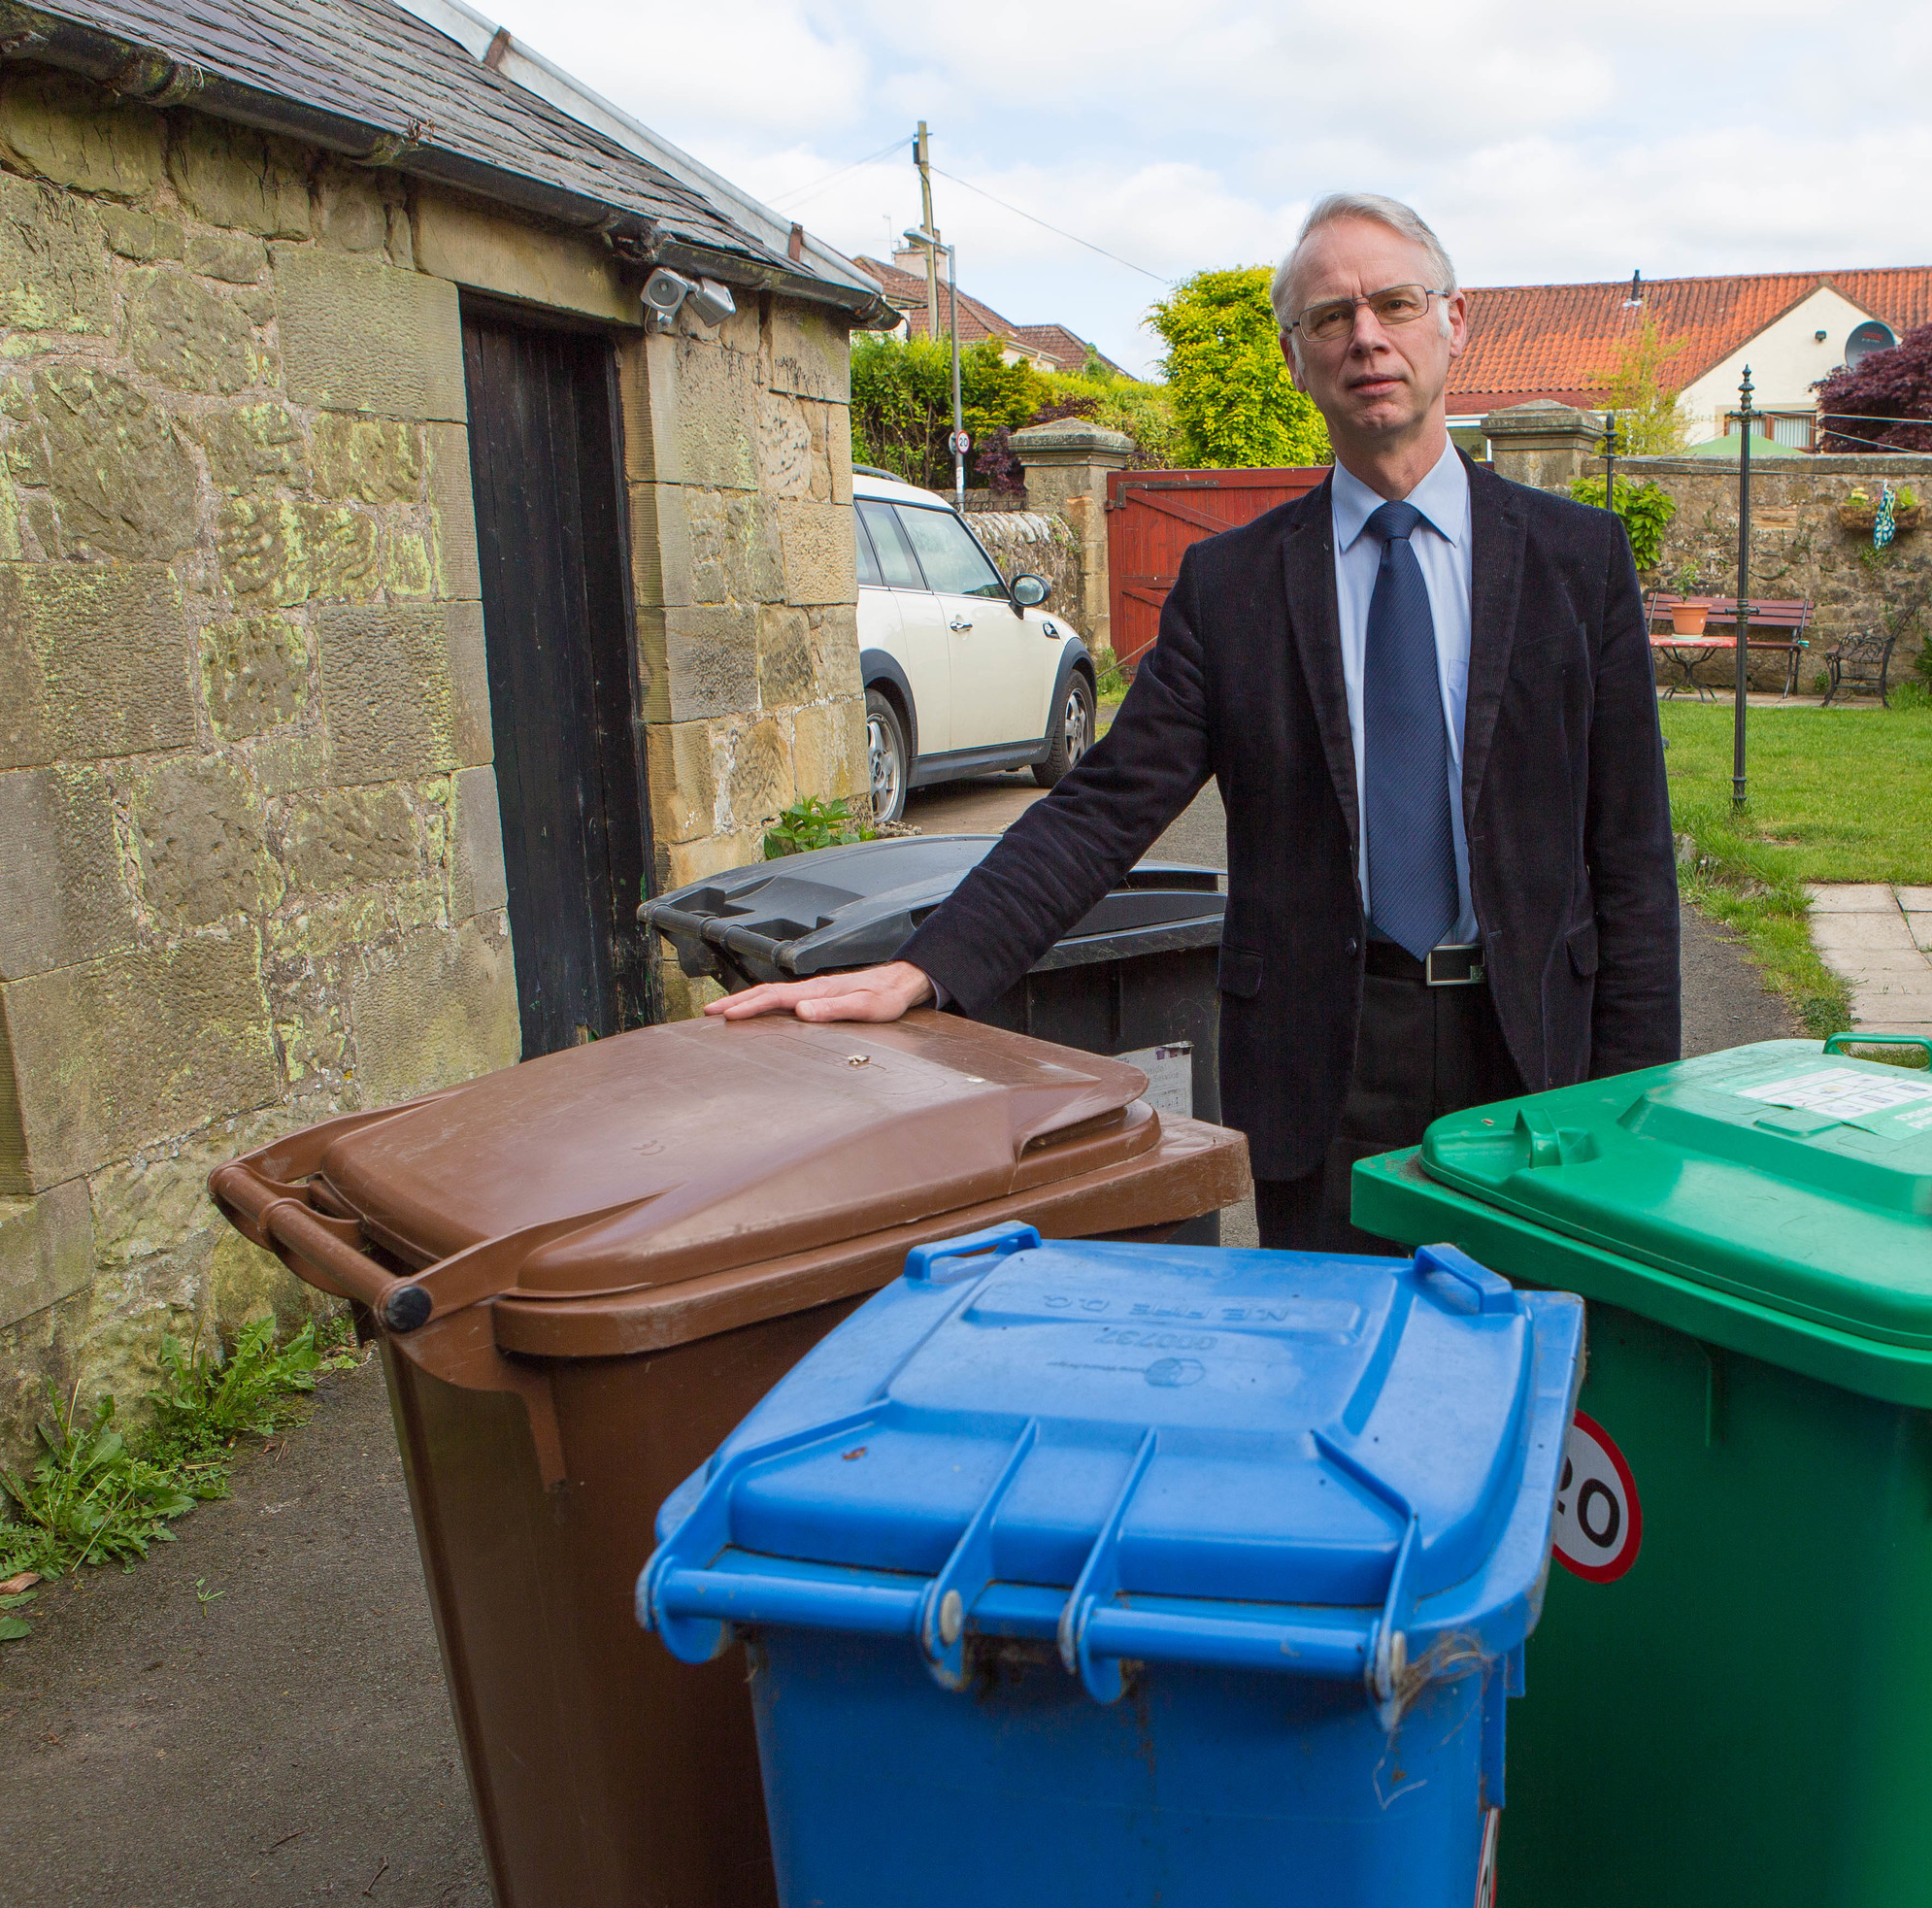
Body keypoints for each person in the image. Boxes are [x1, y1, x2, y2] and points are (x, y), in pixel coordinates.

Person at [709, 191, 1679, 1252]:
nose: (1365, 337)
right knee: (1331, 1376)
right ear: (1294, 356)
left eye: (1394, 303)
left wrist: (1639, 1105)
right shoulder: (1235, 586)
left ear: (1454, 320)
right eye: (1328, 318)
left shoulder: (1576, 561)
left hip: (1534, 1055)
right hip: (1325, 1061)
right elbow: (1105, 807)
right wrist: (927, 966)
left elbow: (1628, 854)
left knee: (1537, 1377)